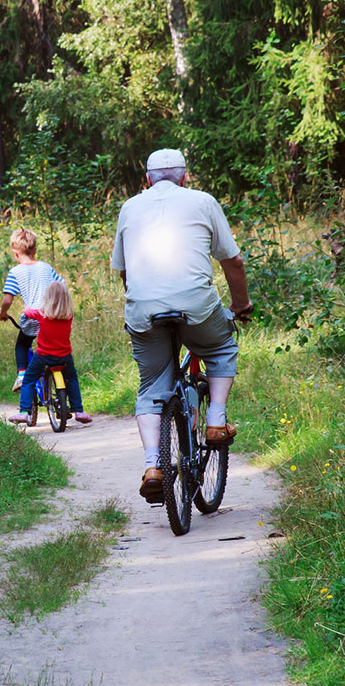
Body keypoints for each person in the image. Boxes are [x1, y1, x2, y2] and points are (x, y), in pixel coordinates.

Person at [110, 149, 252, 503]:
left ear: (148, 180)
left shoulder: (129, 207)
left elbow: (124, 270)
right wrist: (240, 306)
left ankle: (153, 466)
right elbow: (232, 262)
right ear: (185, 177)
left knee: (151, 387)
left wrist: (144, 304)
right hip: (196, 307)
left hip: (143, 311)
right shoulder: (202, 201)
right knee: (221, 348)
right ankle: (216, 421)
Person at [6, 280, 96, 426]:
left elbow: (28, 312)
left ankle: (24, 412)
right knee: (72, 379)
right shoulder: (69, 315)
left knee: (28, 379)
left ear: (47, 298)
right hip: (64, 357)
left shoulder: (41, 314)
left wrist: (27, 307)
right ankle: (79, 411)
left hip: (43, 356)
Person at [0, 228, 63, 391]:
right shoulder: (46, 267)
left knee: (22, 345)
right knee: (54, 348)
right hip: (53, 317)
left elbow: (7, 299)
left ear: (15, 253)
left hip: (33, 318)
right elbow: (61, 286)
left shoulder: (15, 272)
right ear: (35, 250)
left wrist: (2, 313)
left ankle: (22, 375)